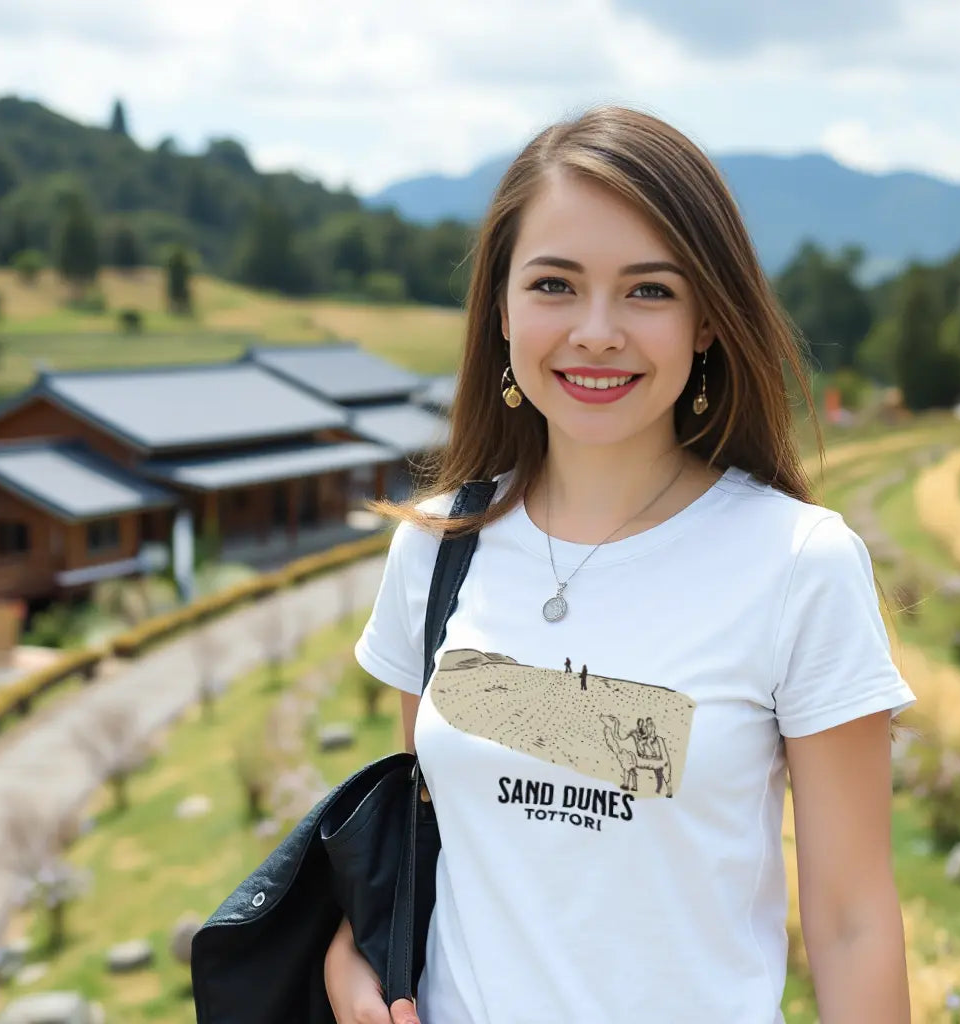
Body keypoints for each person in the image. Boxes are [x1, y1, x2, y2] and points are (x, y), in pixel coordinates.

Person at [324, 106, 914, 1023]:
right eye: (555, 284)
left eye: (648, 291)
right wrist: (348, 957)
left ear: (709, 320)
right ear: (502, 309)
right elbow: (427, 829)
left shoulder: (798, 565)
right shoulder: (439, 548)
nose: (597, 332)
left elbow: (851, 923)